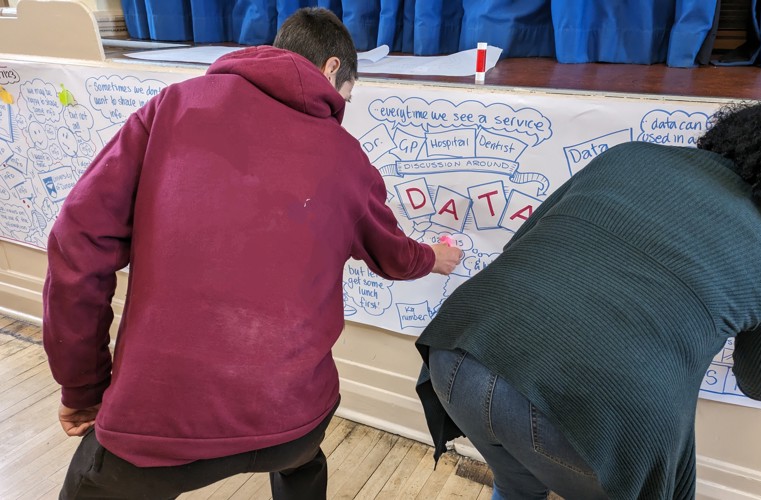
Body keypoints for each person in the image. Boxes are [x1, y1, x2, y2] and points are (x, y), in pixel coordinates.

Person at [43, 7, 462, 500]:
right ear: (331, 69)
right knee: (305, 457)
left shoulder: (172, 107)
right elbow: (396, 256)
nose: (341, 107)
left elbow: (77, 245)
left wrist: (83, 390)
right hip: (295, 421)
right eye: (347, 94)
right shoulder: (347, 156)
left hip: (156, 429)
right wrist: (435, 256)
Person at [415, 97, 761, 499]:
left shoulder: (630, 154)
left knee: (515, 486)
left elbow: (522, 241)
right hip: (591, 410)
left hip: (459, 353)